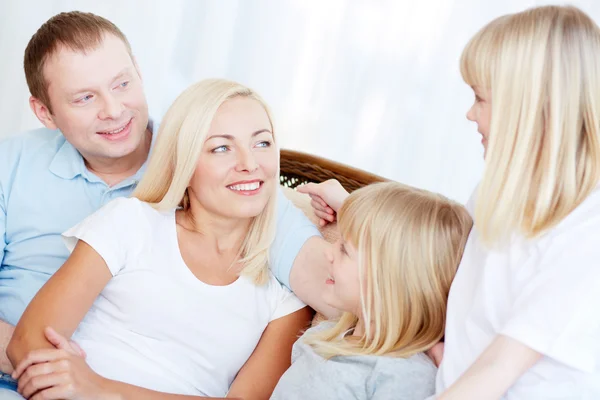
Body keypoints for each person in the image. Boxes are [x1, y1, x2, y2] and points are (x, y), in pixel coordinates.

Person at [0, 10, 333, 381]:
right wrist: (38, 361)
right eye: (84, 98)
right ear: (44, 112)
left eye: (122, 84)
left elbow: (342, 286)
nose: (113, 110)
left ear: (139, 73)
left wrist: (353, 212)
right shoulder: (10, 164)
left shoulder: (209, 170)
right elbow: (31, 349)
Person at [301, 5, 600, 399]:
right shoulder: (498, 194)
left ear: (530, 109)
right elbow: (433, 263)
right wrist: (356, 212)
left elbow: (498, 369)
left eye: (480, 98)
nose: (470, 113)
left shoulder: (584, 237)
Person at [271, 182, 472, 399]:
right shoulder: (323, 335)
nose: (329, 252)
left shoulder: (404, 376)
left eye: (344, 250)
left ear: (387, 282)